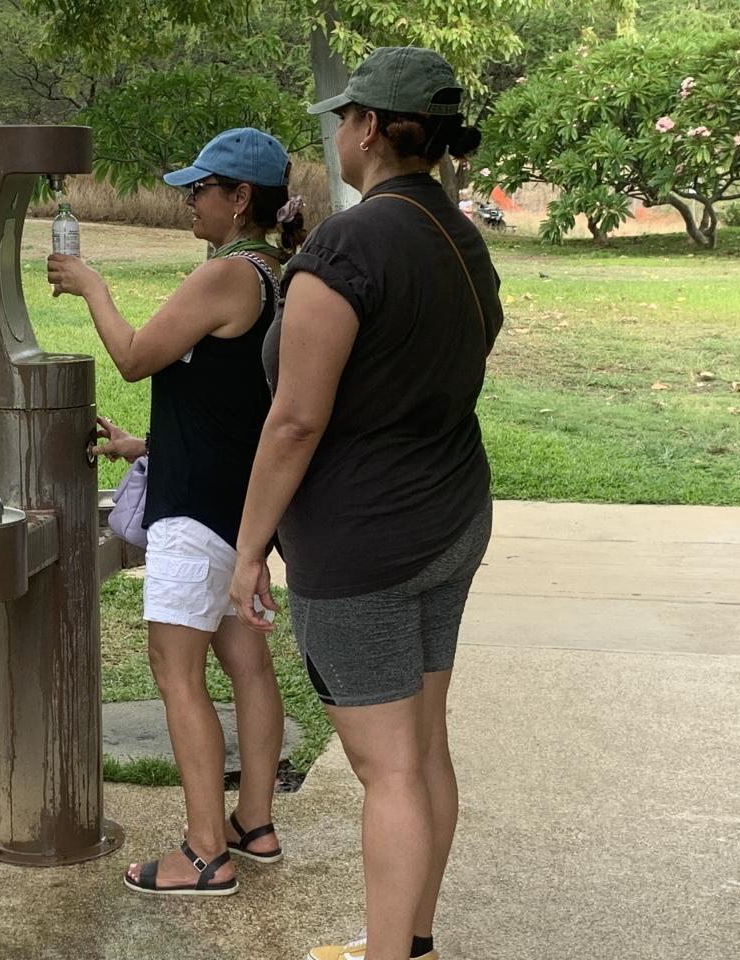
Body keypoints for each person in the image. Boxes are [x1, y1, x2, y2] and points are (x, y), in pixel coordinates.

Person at [226, 49, 503, 959]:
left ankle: (389, 955)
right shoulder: (459, 235)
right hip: (450, 517)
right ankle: (409, 942)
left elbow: (295, 420)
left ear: (373, 128)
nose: (339, 131)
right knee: (420, 749)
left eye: (345, 117)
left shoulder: (347, 246)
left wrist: (248, 550)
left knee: (387, 770)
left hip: (365, 545)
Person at [47, 127, 306, 897]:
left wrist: (92, 286)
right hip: (239, 510)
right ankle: (252, 824)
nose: (190, 202)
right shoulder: (275, 275)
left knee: (176, 672)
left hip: (194, 514)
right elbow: (232, 402)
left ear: (240, 198)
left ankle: (203, 853)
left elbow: (134, 357)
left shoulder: (225, 275)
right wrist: (147, 444)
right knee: (248, 667)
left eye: (202, 189)